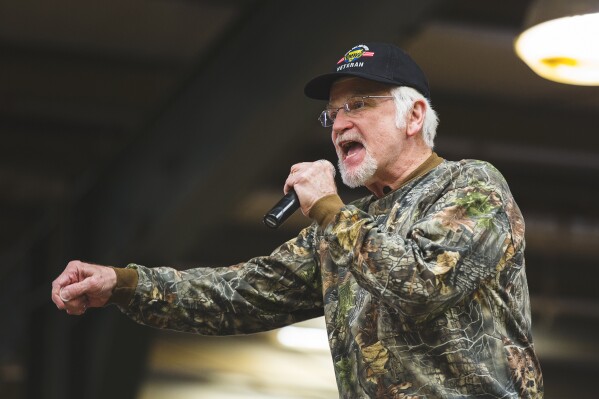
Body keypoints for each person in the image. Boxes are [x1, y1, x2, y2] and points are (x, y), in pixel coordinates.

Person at [52, 42, 544, 398]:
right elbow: (239, 295)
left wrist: (329, 209)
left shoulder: (471, 185)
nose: (340, 124)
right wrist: (123, 282)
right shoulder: (346, 227)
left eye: (359, 105)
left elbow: (421, 282)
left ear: (413, 116)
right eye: (332, 115)